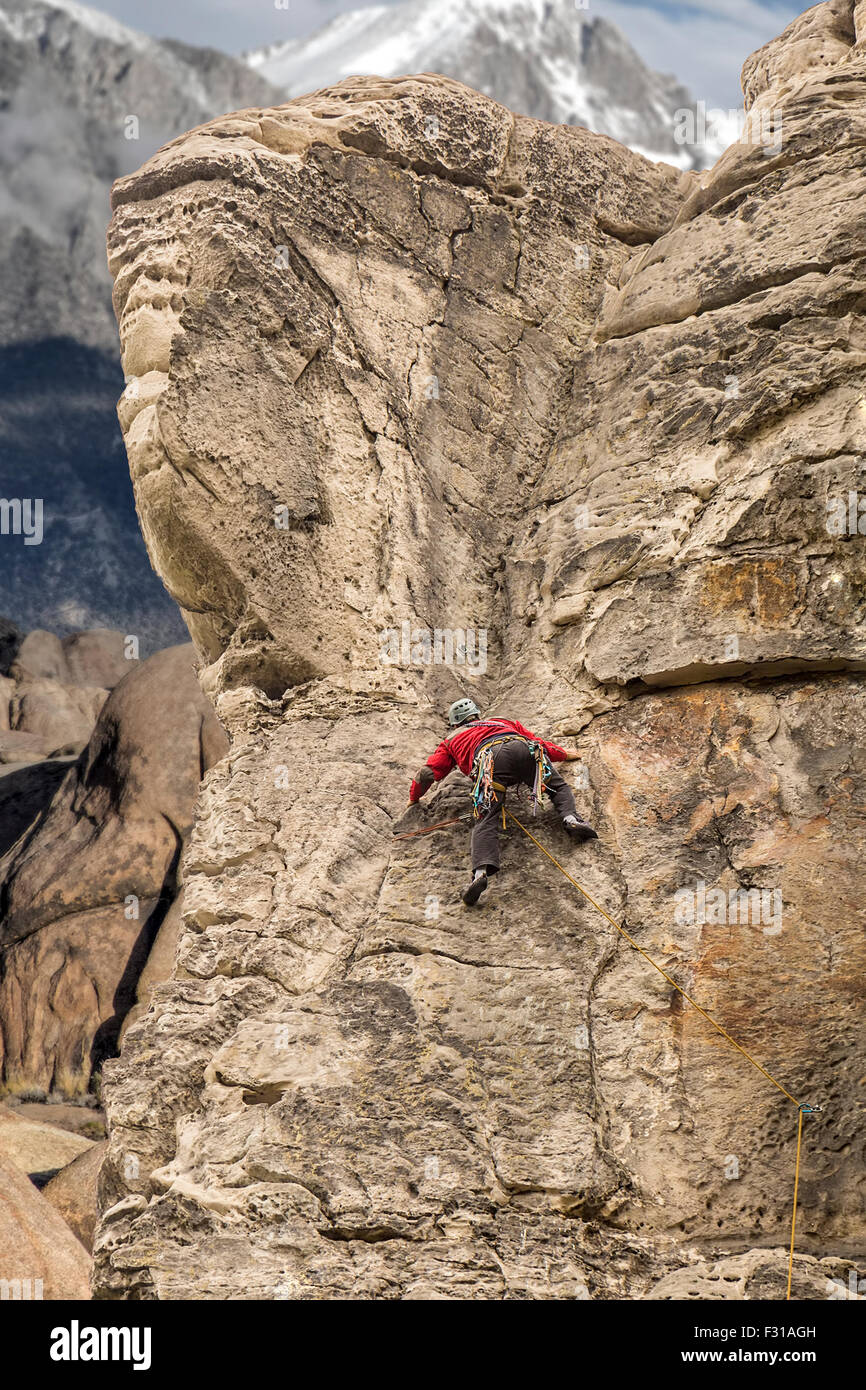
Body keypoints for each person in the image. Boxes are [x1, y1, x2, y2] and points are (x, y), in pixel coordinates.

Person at [407, 698, 597, 906]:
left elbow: (426, 773)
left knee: (486, 818)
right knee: (557, 786)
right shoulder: (502, 721)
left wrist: (414, 798)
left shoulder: (452, 740)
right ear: (477, 715)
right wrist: (562, 754)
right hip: (522, 749)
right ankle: (571, 818)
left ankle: (480, 874)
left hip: (490, 762)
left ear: (455, 724)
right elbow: (539, 743)